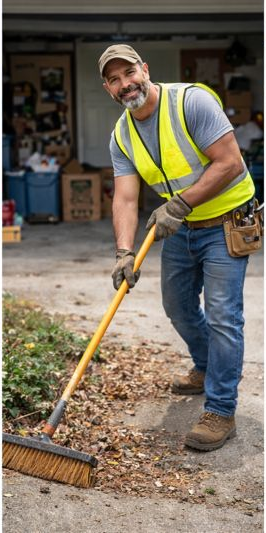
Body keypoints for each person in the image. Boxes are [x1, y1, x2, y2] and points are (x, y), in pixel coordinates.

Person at [98, 44, 256, 451]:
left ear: (144, 69)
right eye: (114, 79)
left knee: (223, 315)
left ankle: (221, 409)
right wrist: (123, 252)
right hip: (180, 228)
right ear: (107, 88)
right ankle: (206, 367)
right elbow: (126, 199)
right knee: (178, 306)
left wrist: (182, 203)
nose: (124, 84)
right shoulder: (122, 135)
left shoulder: (191, 102)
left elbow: (231, 162)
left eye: (128, 73)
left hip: (227, 222)